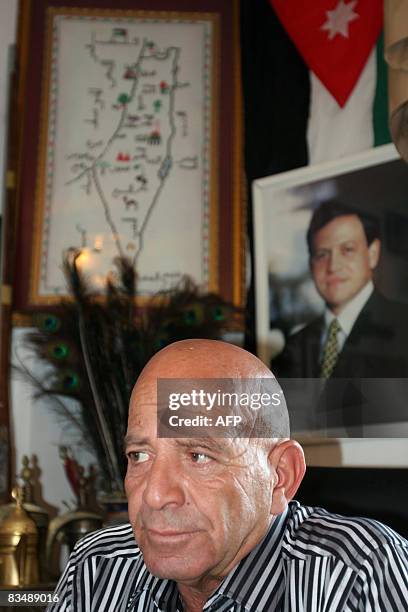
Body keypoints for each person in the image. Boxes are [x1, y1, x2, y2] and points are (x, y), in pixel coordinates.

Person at [47, 339, 408, 611]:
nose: (155, 495)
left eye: (198, 456)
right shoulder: (97, 567)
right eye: (139, 455)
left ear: (280, 476)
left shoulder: (359, 575)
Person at [273, 199, 408, 380]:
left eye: (347, 250)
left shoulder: (403, 328)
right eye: (322, 254)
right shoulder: (295, 346)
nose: (333, 266)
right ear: (311, 265)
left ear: (373, 254)